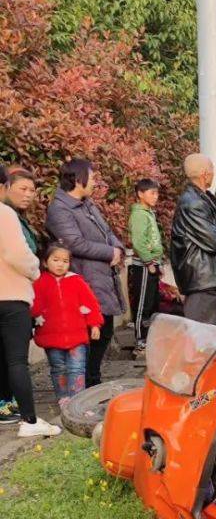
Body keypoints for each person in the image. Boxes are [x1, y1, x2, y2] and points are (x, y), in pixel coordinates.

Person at [45, 158, 125, 387]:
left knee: (105, 329)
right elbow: (73, 243)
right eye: (92, 177)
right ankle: (86, 384)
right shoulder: (59, 209)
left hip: (101, 277)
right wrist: (109, 252)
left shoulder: (87, 203)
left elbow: (107, 230)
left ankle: (92, 379)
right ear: (78, 179)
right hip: (84, 279)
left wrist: (117, 247)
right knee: (91, 334)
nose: (95, 182)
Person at [0, 164, 59, 436]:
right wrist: (36, 269)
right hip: (10, 296)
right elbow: (16, 254)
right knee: (16, 361)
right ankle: (31, 422)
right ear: (4, 186)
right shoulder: (5, 213)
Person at [31, 244, 103, 405]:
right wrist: (35, 317)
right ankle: (64, 399)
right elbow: (34, 307)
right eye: (55, 260)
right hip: (51, 336)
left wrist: (95, 324)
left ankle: (78, 403)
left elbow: (91, 303)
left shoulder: (76, 281)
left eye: (65, 261)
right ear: (45, 262)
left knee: (77, 369)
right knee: (58, 369)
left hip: (76, 336)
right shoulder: (39, 283)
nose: (60, 264)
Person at [170, 153, 216, 325]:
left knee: (210, 335)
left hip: (208, 277)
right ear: (205, 173)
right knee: (201, 338)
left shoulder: (203, 199)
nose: (214, 173)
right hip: (202, 278)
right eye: (212, 169)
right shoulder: (193, 203)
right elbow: (213, 241)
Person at [127, 178, 163, 348]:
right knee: (143, 304)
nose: (156, 197)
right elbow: (138, 241)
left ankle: (151, 337)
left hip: (152, 264)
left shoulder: (148, 212)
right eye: (152, 193)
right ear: (140, 194)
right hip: (144, 266)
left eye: (157, 193)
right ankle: (141, 339)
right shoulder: (139, 215)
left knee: (152, 302)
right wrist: (148, 261)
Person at [2, 168, 44, 257]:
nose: (28, 195)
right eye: (23, 189)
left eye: (32, 191)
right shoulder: (5, 216)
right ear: (7, 187)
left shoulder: (19, 216)